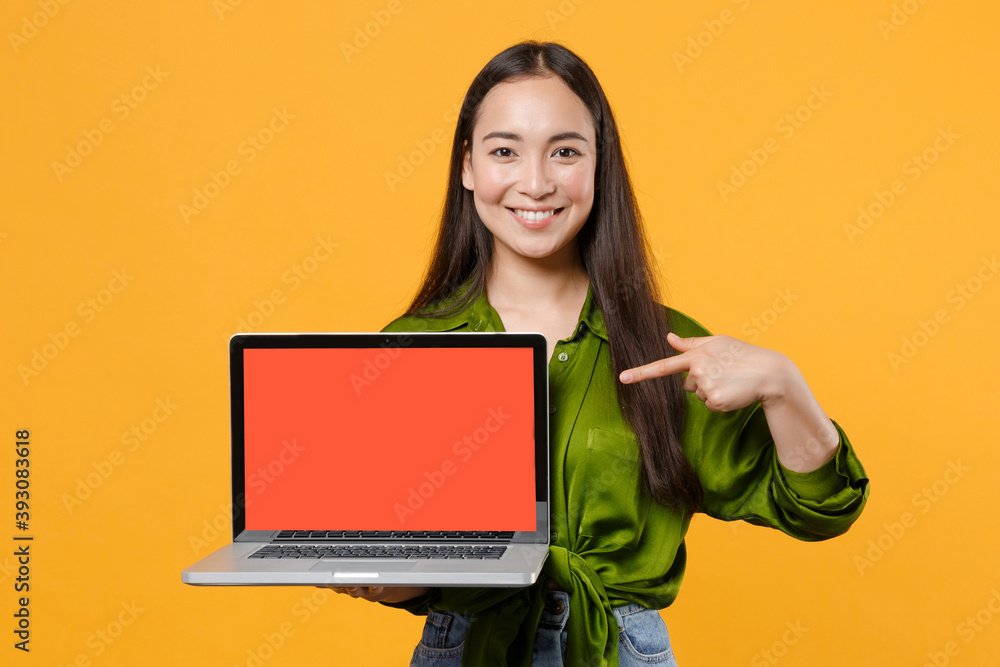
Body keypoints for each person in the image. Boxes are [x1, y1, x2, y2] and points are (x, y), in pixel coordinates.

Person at [326, 40, 870, 666]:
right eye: (505, 151)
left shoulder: (668, 349)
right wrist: (378, 578)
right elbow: (411, 561)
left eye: (565, 152)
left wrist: (784, 384)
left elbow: (819, 510)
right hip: (467, 649)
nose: (536, 182)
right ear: (468, 166)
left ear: (598, 164)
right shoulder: (407, 348)